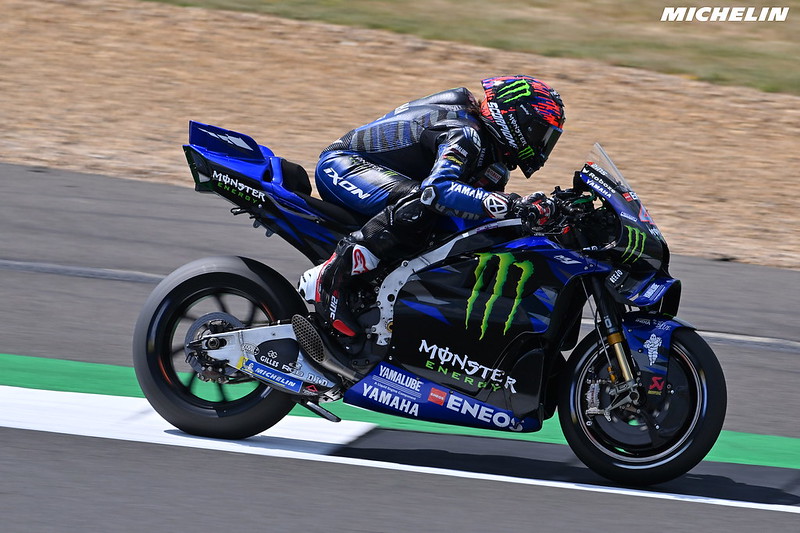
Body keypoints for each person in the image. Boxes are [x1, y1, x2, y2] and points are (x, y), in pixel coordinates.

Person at [298, 75, 565, 343]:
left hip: (390, 180)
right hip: (344, 166)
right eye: (541, 133)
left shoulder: (494, 161)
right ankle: (332, 276)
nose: (543, 146)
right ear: (517, 121)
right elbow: (439, 190)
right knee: (423, 202)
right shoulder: (466, 133)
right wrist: (514, 205)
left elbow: (481, 214)